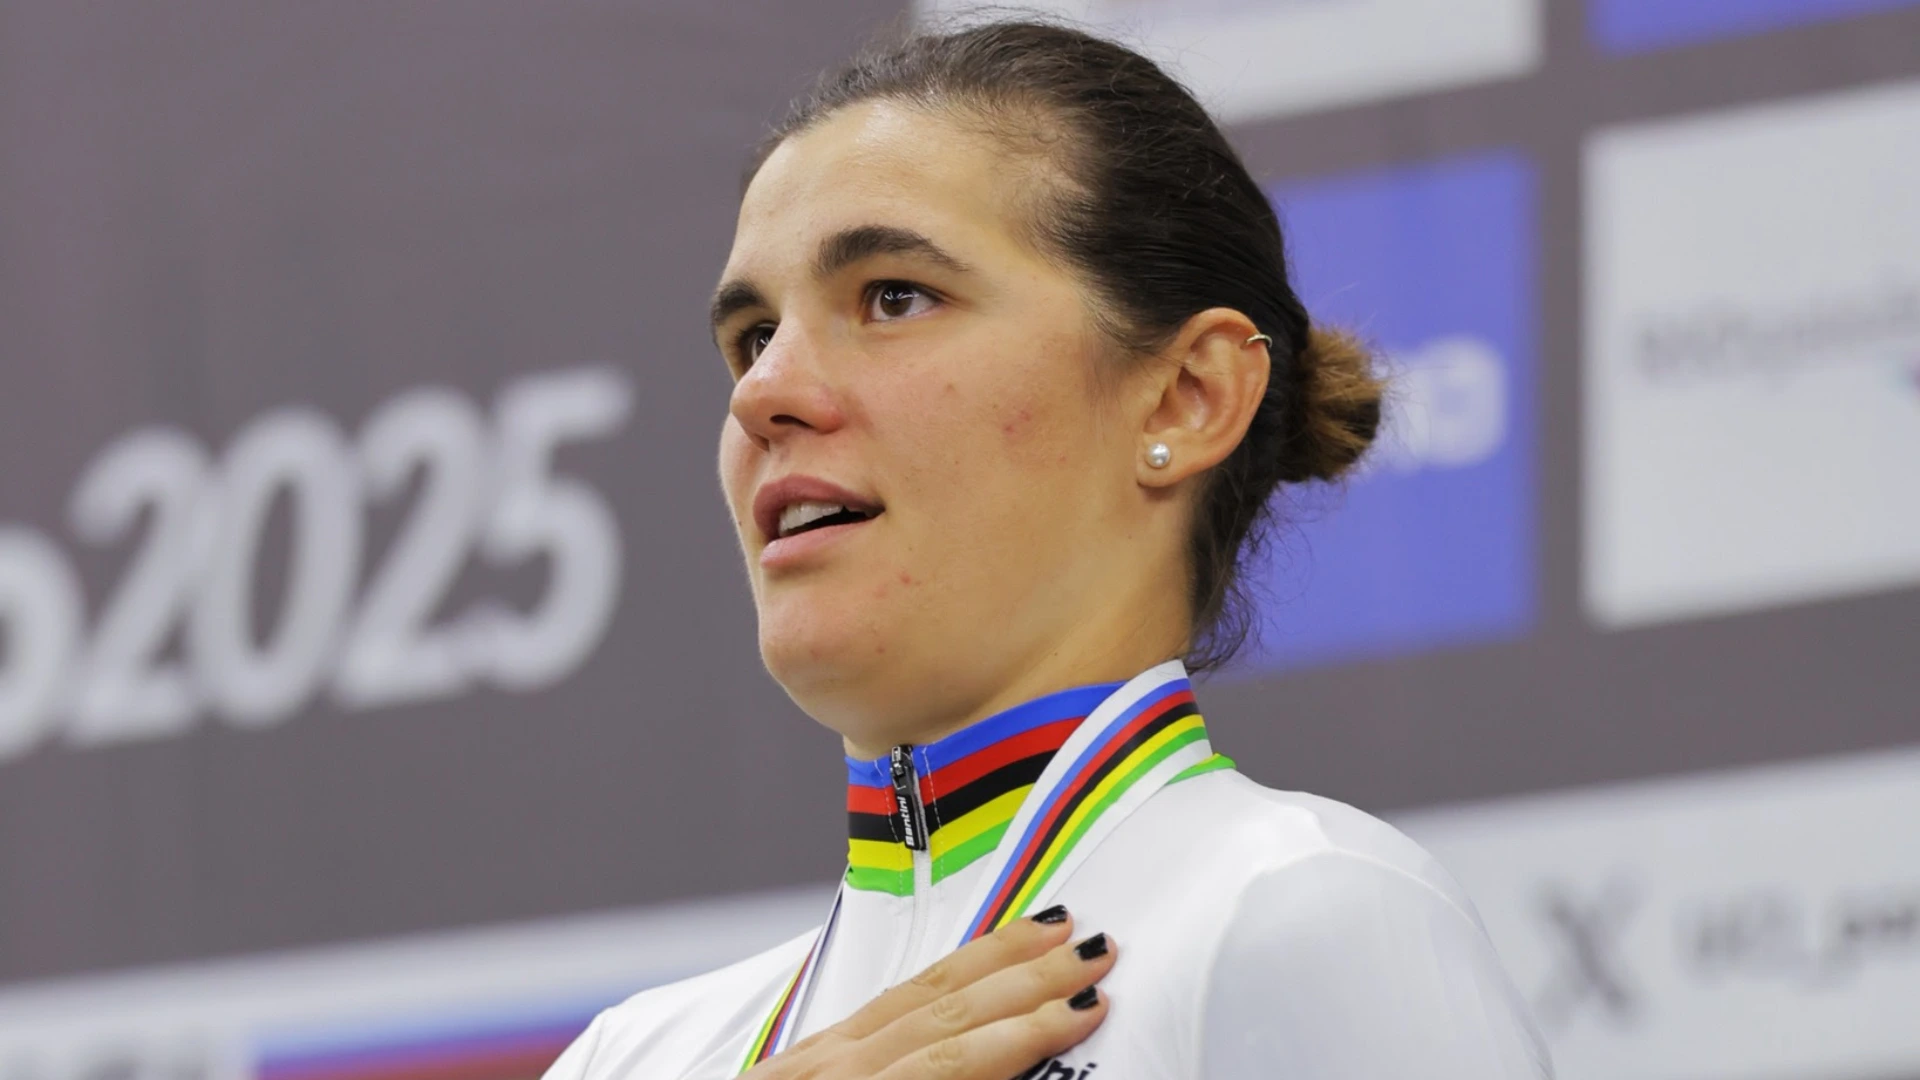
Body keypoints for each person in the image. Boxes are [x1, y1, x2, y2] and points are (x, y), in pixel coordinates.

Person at [545, 18, 1552, 1080]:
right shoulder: (632, 1058)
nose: (763, 393)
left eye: (894, 297)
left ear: (1187, 396)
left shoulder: (1300, 912)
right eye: (754, 337)